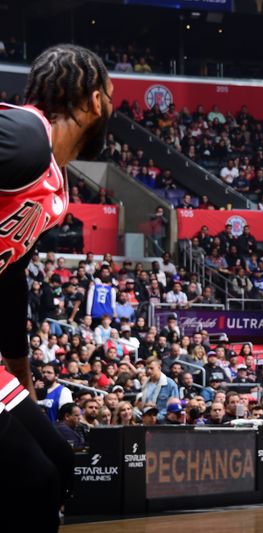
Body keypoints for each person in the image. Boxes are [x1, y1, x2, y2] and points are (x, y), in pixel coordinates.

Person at [0, 44, 113, 532]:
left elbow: (9, 279)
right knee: (34, 479)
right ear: (92, 102)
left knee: (60, 465)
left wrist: (20, 371)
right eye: (109, 97)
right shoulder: (26, 136)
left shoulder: (53, 183)